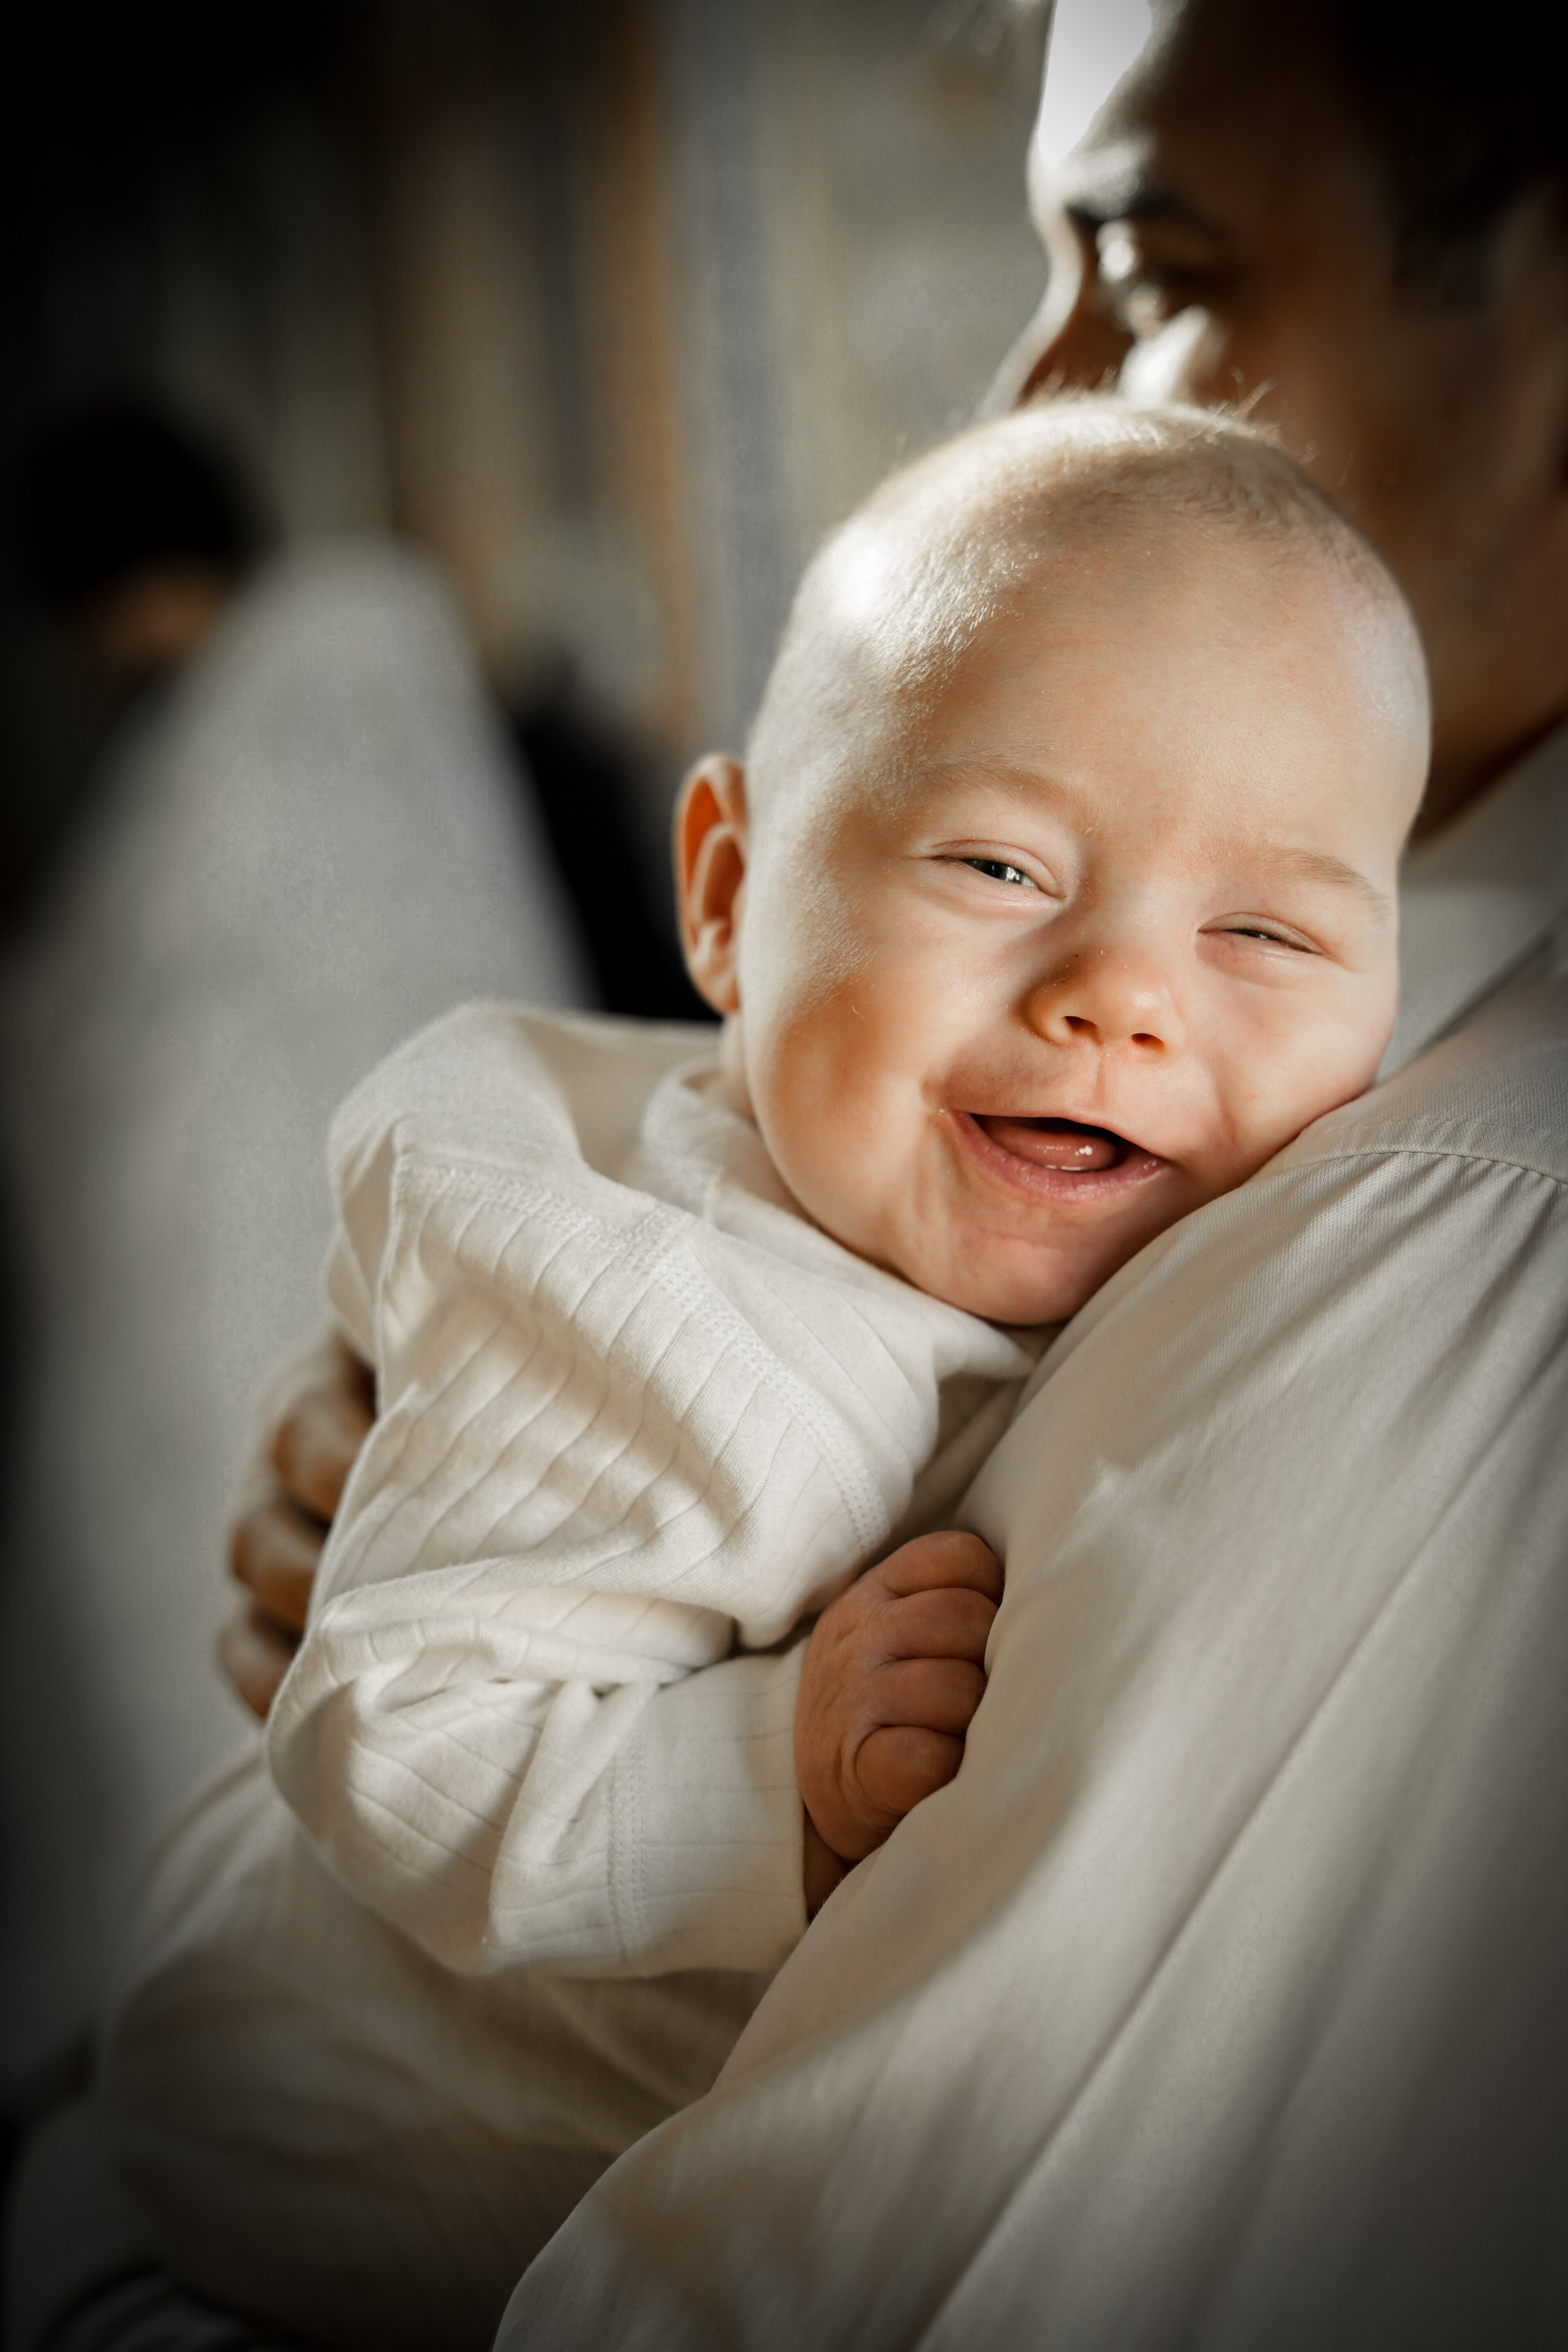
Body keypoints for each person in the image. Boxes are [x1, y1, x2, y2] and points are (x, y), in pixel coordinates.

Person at [85, 399, 1419, 2352]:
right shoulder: (645, 1311)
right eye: (997, 864)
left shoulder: (1333, 1244)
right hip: (314, 2120)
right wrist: (765, 1768)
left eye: (1267, 930)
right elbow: (390, 1732)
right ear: (723, 891)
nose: (1124, 993)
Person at [0, 404, 586, 2128]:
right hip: (362, 1270)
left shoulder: (292, 706)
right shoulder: (358, 688)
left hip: (246, 1284)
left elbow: (141, 1018)